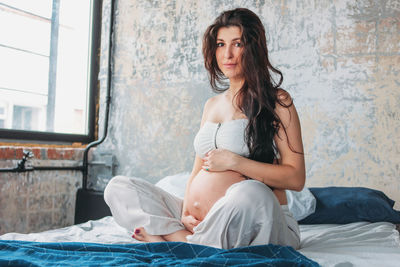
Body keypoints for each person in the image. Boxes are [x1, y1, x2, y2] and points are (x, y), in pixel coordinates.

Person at [104, 7, 305, 249]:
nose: (227, 54)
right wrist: (185, 212)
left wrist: (235, 162)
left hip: (259, 218)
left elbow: (295, 177)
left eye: (237, 44)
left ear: (253, 48)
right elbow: (196, 171)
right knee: (120, 187)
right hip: (202, 222)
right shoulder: (211, 105)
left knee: (251, 192)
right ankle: (186, 238)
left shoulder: (277, 101)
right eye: (220, 44)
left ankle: (174, 241)